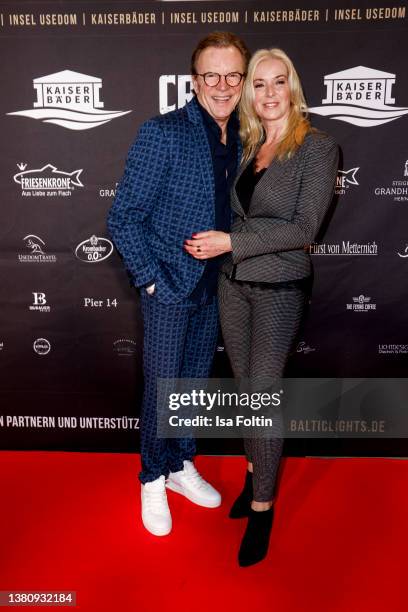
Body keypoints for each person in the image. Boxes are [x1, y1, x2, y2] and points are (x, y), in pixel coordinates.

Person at [184, 48, 339, 565]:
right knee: (246, 389)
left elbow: (304, 229)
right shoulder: (248, 144)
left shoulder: (317, 148)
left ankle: (263, 504)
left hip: (279, 287)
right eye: (258, 84)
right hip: (234, 285)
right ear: (249, 93)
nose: (268, 94)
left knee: (262, 397)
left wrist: (232, 242)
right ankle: (257, 472)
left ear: (292, 89)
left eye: (279, 83)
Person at [107, 32, 250, 537]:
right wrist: (150, 281)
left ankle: (179, 465)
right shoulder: (163, 132)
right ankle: (151, 476)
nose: (223, 85)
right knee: (163, 389)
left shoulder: (244, 137)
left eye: (233, 74)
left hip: (218, 286)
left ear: (243, 79)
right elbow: (123, 217)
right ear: (195, 81)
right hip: (169, 286)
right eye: (212, 74)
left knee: (191, 386)